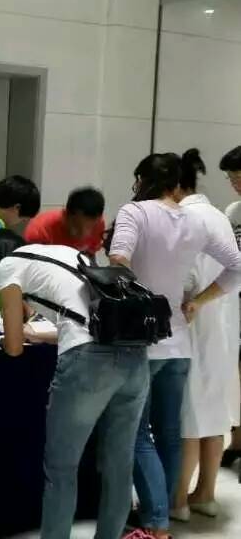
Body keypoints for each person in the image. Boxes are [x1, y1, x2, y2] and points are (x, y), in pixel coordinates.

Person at [0, 229, 148, 539]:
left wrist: (13, 335)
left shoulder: (8, 265)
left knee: (61, 468)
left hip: (87, 367)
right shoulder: (67, 253)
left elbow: (13, 347)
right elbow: (88, 321)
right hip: (134, 357)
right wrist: (38, 334)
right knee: (118, 465)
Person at [107, 152, 241, 539]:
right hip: (179, 340)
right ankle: (164, 511)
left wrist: (135, 299)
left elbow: (118, 260)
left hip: (142, 341)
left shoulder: (135, 212)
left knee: (136, 433)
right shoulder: (197, 220)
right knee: (169, 431)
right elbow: (236, 267)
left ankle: (155, 519)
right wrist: (197, 300)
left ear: (143, 180)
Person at [172, 149, 241, 521]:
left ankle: (178, 500)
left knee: (189, 415)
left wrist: (193, 300)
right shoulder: (221, 215)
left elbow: (184, 276)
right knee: (214, 413)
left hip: (195, 323)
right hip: (225, 325)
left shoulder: (186, 218)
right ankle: (206, 494)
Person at [219, 144, 241, 468]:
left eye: (238, 176)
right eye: (231, 177)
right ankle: (236, 442)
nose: (235, 183)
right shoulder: (232, 211)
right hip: (234, 299)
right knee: (235, 370)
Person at [24, 186, 106, 255]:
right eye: (76, 227)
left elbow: (90, 253)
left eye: (89, 228)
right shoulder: (40, 228)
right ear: (65, 215)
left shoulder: (99, 224)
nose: (82, 234)